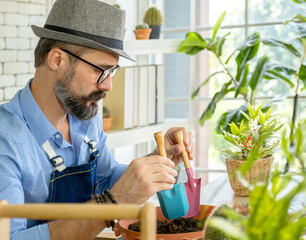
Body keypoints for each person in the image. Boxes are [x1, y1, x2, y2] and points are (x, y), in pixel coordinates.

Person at [0, 0, 195, 239]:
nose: (108, 85)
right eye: (99, 70)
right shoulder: (6, 141)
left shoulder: (84, 115)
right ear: (57, 60)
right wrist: (113, 203)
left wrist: (156, 161)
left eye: (112, 71)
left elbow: (105, 179)